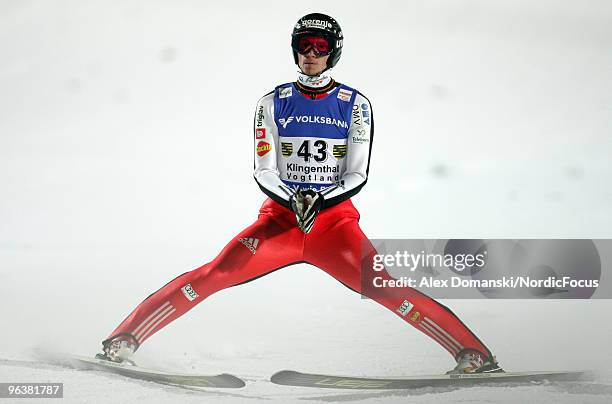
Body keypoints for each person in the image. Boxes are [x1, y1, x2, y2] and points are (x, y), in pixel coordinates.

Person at [96, 12, 503, 375]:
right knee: (215, 273)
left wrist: (319, 200)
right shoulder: (272, 102)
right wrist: (294, 200)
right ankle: (122, 341)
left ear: (333, 52)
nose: (311, 53)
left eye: (320, 46)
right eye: (303, 45)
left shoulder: (354, 104)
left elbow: (357, 172)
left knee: (383, 286)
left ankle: (474, 356)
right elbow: (264, 169)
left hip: (333, 226)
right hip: (280, 223)